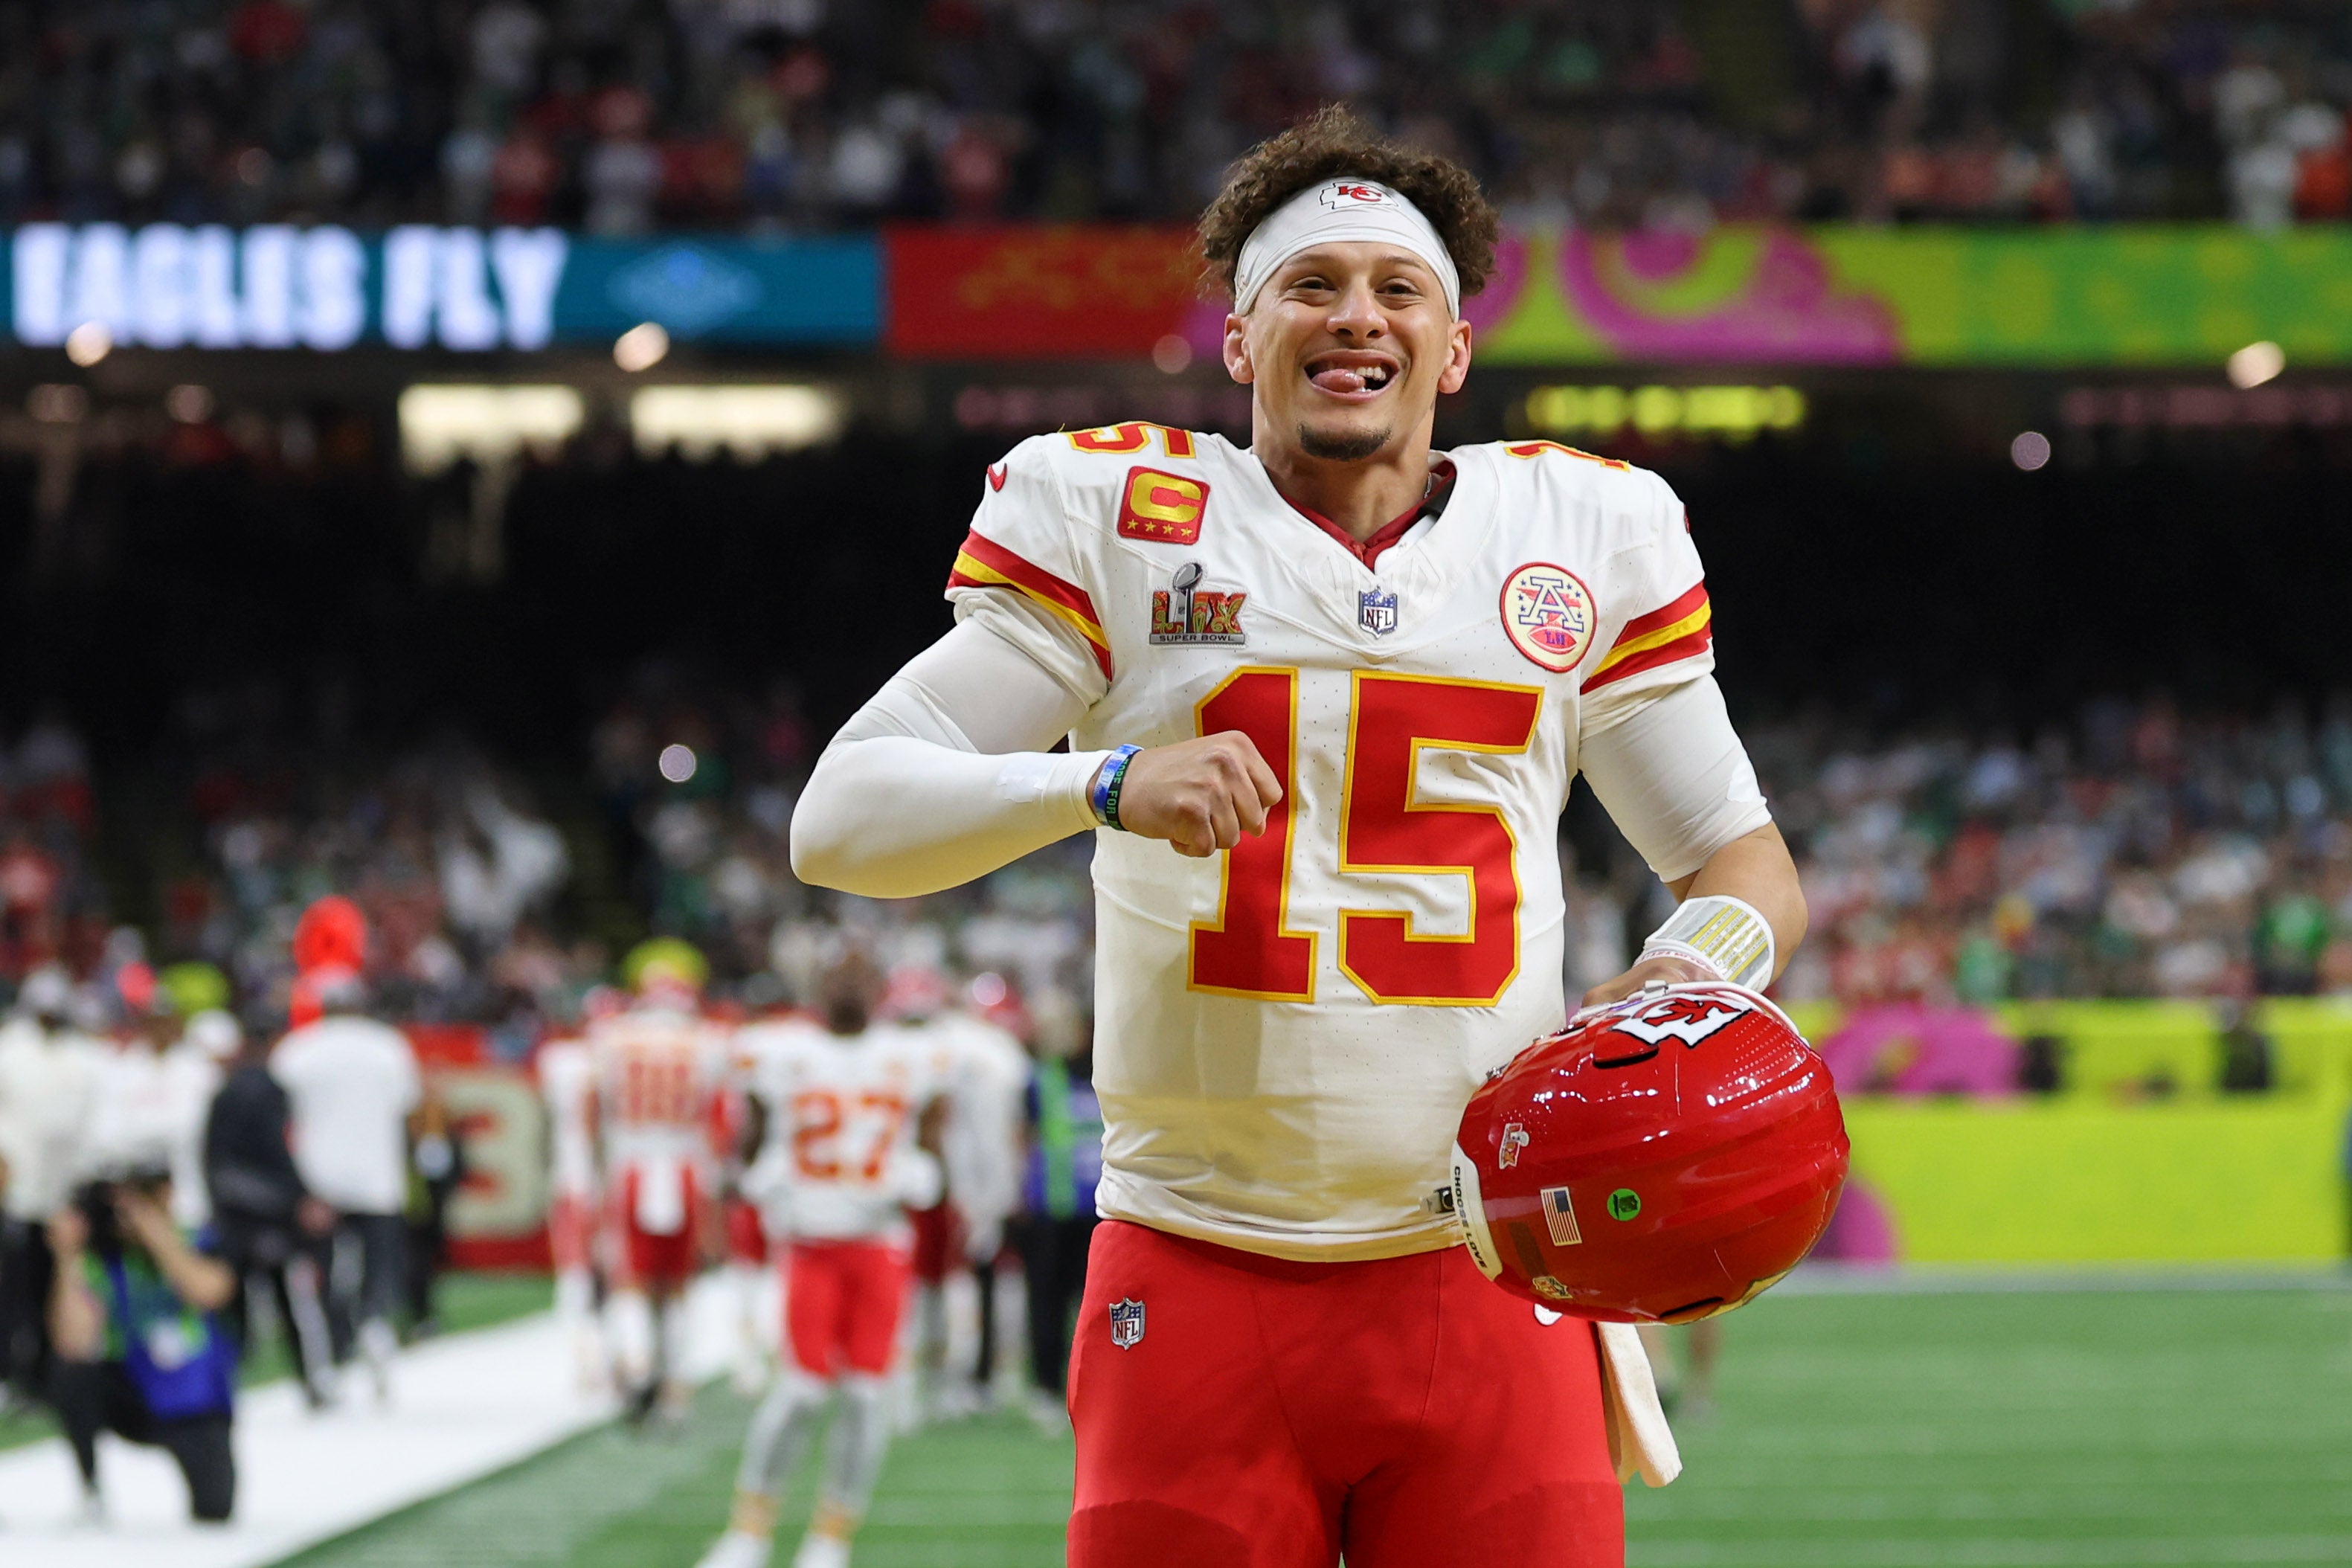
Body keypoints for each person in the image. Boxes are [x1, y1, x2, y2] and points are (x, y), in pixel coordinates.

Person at [790, 106, 1806, 1566]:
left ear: (1454, 351)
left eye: (1400, 289)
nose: (1356, 315)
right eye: (1311, 284)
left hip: (1487, 1267)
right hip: (1196, 1265)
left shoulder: (1583, 531)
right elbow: (843, 815)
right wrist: (1101, 782)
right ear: (1238, 334)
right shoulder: (1126, 516)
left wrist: (1676, 983)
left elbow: (1742, 862)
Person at [699, 948, 948, 1568]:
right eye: (837, 975)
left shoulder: (914, 1057)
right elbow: (750, 1143)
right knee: (802, 1392)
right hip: (811, 1243)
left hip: (880, 1245)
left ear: (880, 988)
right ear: (814, 985)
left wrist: (923, 1177)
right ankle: (749, 1529)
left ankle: (831, 1537)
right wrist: (744, 1180)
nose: (849, 986)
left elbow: (933, 1144)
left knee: (867, 1397)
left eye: (861, 975)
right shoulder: (779, 1051)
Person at [46, 1163, 239, 1523]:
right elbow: (72, 1342)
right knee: (71, 1375)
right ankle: (91, 1489)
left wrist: (155, 1232)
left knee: (216, 1509)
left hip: (194, 1399)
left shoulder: (197, 1238)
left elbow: (209, 1292)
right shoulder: (101, 1261)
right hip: (135, 1394)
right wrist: (67, 1256)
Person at [588, 952, 730, 1421]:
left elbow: (595, 1112)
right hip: (685, 1165)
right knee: (677, 1285)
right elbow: (719, 1117)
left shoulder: (613, 1038)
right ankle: (674, 1386)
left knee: (632, 1279)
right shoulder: (706, 1041)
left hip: (631, 1164)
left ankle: (636, 1373)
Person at [273, 973, 422, 1404]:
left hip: (317, 1182)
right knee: (376, 1273)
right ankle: (374, 1332)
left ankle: (325, 1366)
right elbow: (408, 1108)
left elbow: (281, 1119)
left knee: (316, 1279)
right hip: (378, 1180)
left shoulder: (299, 1050)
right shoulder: (388, 1047)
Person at [204, 1021, 337, 1407]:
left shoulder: (224, 1092)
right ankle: (311, 1381)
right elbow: (282, 1149)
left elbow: (211, 1157)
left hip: (233, 1212)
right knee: (292, 1303)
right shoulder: (273, 1092)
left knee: (234, 1309)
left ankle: (227, 1387)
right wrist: (302, 1197)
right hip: (275, 1212)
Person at [0, 965, 101, 1406]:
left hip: (63, 1194)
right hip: (18, 1193)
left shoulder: (80, 1054)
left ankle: (51, 1374)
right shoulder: (10, 1050)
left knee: (59, 1287)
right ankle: (16, 1377)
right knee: (13, 1294)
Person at [1019, 999, 1102, 1431]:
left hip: (1102, 1210)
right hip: (1052, 1208)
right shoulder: (1040, 1080)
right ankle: (1047, 1389)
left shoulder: (1111, 1076)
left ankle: (1096, 1389)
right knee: (1048, 1302)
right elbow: (1022, 1135)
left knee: (1096, 1307)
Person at [403, 1081, 469, 1337]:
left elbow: (456, 1163)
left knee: (428, 1260)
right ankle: (420, 1313)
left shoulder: (443, 1125)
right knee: (416, 1261)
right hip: (415, 1206)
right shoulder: (408, 1128)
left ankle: (425, 1313)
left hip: (432, 1205)